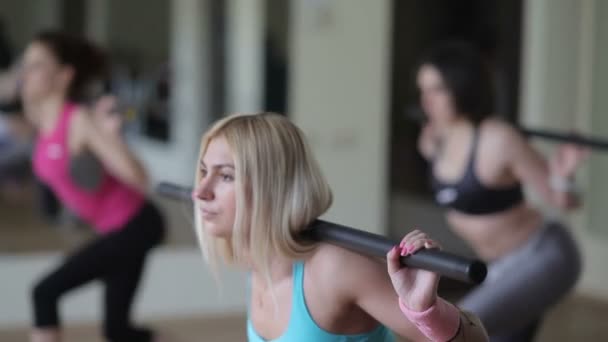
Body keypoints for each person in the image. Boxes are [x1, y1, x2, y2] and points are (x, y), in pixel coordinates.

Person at [192, 112, 489, 341]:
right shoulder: (258, 265)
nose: (200, 191)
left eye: (226, 176)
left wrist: (427, 310)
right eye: (204, 172)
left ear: (272, 188)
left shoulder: (334, 269)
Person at [415, 41, 584, 341]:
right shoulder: (432, 140)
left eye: (437, 89)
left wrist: (563, 175)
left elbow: (562, 200)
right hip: (498, 267)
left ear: (462, 88)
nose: (426, 101)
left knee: (455, 328)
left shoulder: (499, 140)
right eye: (423, 90)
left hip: (544, 255)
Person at [23, 31, 166, 342]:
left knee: (43, 293)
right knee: (118, 332)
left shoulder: (80, 122)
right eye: (25, 63)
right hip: (114, 228)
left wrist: (111, 137)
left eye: (35, 65)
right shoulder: (40, 118)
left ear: (63, 76)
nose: (25, 72)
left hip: (135, 224)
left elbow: (140, 178)